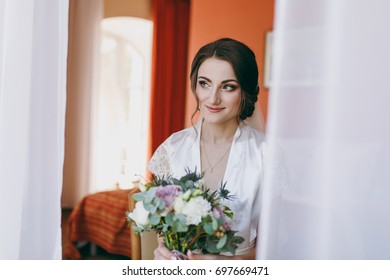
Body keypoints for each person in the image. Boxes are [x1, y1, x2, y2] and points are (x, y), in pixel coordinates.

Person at [148, 38, 265, 260]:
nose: (213, 98)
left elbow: (279, 244)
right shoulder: (172, 149)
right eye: (205, 83)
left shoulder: (266, 155)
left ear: (246, 92)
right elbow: (164, 230)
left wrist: (230, 264)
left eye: (228, 86)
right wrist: (162, 252)